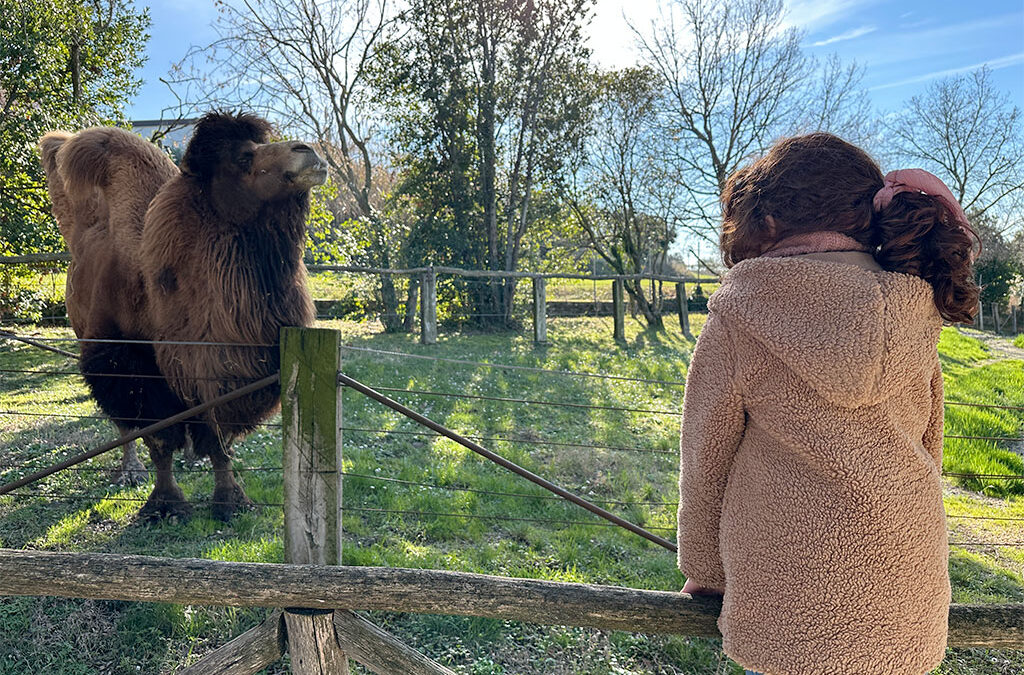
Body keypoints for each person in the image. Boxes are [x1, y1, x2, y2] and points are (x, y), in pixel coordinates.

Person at [675, 133, 979, 675]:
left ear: (766, 221)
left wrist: (705, 569)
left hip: (786, 601)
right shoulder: (915, 308)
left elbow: (707, 458)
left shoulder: (739, 311)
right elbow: (930, 447)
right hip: (909, 596)